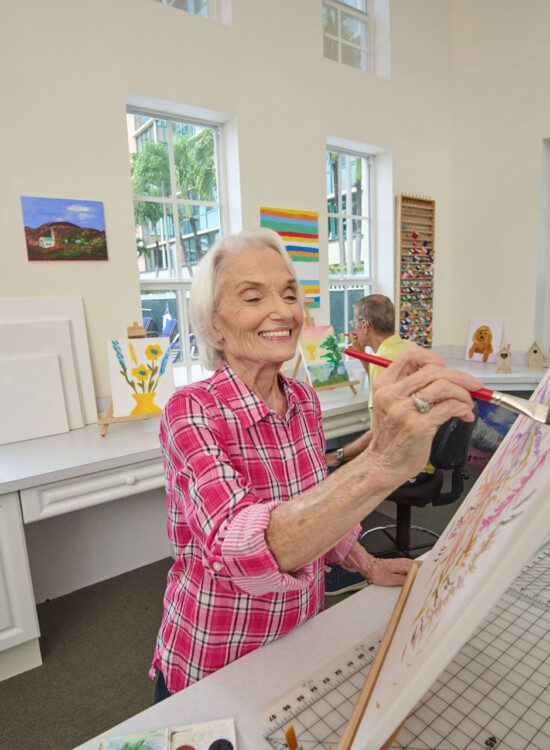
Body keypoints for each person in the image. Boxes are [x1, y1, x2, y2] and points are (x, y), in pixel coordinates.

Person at [150, 229, 481, 700]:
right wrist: (381, 462)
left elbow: (312, 504)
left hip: (298, 641)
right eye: (252, 296)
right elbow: (242, 549)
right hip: (216, 660)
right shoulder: (191, 411)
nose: (283, 310)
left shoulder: (302, 399)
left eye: (290, 294)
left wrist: (364, 561)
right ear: (215, 325)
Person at [324, 295, 434, 595]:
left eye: (354, 323)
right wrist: (362, 353)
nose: (352, 329)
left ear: (364, 324)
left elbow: (377, 436)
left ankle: (348, 569)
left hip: (406, 465)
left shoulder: (386, 366)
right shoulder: (407, 349)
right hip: (423, 455)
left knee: (336, 480)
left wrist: (339, 455)